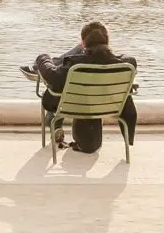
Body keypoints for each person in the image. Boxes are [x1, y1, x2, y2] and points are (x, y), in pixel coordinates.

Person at [35, 22, 138, 153]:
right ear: (108, 41)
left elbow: (52, 76)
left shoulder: (75, 65)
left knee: (57, 86)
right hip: (108, 105)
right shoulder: (127, 64)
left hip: (76, 105)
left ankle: (55, 125)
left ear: (83, 43)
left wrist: (42, 58)